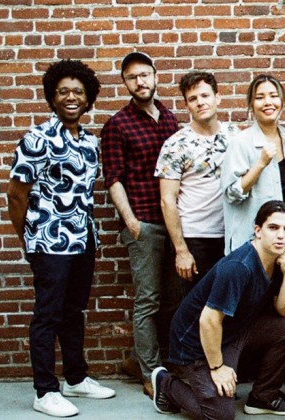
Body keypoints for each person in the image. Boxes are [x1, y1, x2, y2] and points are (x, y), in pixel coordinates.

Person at [7, 59, 115, 418]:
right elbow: (16, 194)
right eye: (63, 92)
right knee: (48, 315)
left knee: (74, 312)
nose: (71, 97)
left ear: (88, 99)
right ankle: (45, 390)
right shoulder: (38, 138)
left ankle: (75, 378)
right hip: (49, 242)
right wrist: (28, 237)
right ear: (52, 97)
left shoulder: (88, 142)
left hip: (82, 241)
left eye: (78, 92)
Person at [151, 200, 285, 419]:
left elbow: (284, 312)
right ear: (258, 231)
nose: (281, 235)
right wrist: (218, 368)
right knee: (220, 415)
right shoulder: (239, 267)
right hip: (196, 342)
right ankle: (167, 384)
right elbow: (208, 321)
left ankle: (263, 397)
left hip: (233, 331)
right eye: (273, 227)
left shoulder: (280, 260)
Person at [100, 51, 180, 396]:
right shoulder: (117, 124)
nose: (140, 82)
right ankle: (150, 373)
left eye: (145, 75)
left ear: (155, 75)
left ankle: (138, 359)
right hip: (144, 224)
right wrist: (131, 222)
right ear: (125, 83)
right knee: (147, 300)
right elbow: (113, 178)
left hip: (175, 224)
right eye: (132, 77)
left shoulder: (170, 118)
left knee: (172, 300)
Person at [156, 71, 240, 290]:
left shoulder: (235, 135)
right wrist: (181, 250)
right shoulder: (175, 144)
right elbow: (167, 200)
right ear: (186, 106)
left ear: (217, 98)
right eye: (193, 99)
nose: (200, 102)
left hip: (231, 235)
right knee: (194, 308)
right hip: (195, 238)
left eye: (205, 95)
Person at [222, 74, 285, 254]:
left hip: (283, 243)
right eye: (260, 98)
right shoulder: (241, 142)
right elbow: (231, 194)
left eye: (273, 95)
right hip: (250, 244)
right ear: (252, 105)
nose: (268, 102)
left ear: (283, 101)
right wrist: (260, 163)